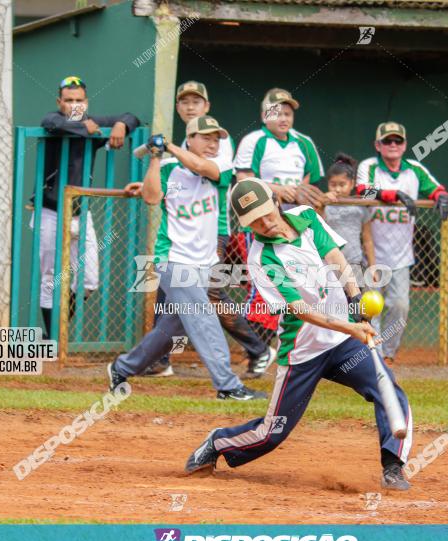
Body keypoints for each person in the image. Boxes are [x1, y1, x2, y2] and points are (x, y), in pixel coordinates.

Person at [184, 178, 415, 491]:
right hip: (303, 352)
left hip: (344, 343)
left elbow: (335, 257)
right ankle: (218, 442)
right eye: (255, 221)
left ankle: (393, 466)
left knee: (389, 391)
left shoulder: (306, 217)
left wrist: (355, 295)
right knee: (272, 433)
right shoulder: (262, 259)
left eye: (267, 213)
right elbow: (300, 310)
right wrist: (351, 326)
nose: (265, 223)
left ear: (276, 203)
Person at [106, 116, 266, 401]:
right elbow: (152, 197)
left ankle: (122, 367)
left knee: (170, 329)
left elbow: (201, 166)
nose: (212, 143)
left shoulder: (221, 167)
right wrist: (156, 157)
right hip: (174, 259)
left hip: (205, 262)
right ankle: (228, 386)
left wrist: (167, 146)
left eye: (216, 138)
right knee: (204, 318)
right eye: (205, 137)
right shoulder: (168, 169)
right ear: (190, 139)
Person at [143, 81, 274, 379]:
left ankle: (258, 349)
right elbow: (169, 186)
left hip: (213, 230)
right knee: (171, 292)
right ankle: (160, 358)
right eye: (185, 101)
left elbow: (206, 169)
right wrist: (154, 164)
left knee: (210, 292)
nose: (190, 106)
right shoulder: (177, 152)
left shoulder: (219, 141)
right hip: (182, 235)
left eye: (197, 101)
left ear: (207, 106)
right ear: (178, 107)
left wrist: (169, 149)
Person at [36, 76, 140, 339]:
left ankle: (57, 332)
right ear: (59, 102)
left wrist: (119, 125)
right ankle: (52, 339)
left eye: (79, 100)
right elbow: (52, 123)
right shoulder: (55, 120)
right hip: (50, 212)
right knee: (50, 278)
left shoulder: (93, 122)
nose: (74, 105)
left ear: (86, 101)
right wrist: (87, 128)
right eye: (68, 100)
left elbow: (131, 116)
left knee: (89, 282)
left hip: (81, 214)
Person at [234, 88, 325, 348]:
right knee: (262, 282)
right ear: (264, 116)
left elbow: (309, 182)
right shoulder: (254, 140)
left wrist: (298, 195)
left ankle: (284, 343)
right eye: (277, 113)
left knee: (299, 281)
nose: (283, 118)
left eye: (287, 113)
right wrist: (276, 190)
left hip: (293, 222)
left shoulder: (304, 142)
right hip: (262, 219)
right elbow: (243, 180)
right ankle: (259, 348)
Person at [356, 122, 448, 364]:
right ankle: (370, 353)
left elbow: (436, 188)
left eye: (398, 141)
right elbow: (360, 191)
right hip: (371, 253)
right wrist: (391, 195)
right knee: (370, 306)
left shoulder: (414, 170)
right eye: (387, 141)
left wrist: (441, 197)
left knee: (400, 307)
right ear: (377, 145)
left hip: (401, 255)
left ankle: (387, 353)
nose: (393, 145)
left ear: (405, 145)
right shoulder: (369, 166)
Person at [319, 153, 376, 288]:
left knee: (355, 303)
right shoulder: (324, 205)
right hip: (328, 263)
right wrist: (322, 203)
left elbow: (367, 239)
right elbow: (317, 224)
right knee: (331, 305)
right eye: (333, 184)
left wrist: (373, 267)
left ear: (352, 184)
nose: (337, 189)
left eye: (342, 184)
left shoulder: (361, 207)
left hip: (354, 263)